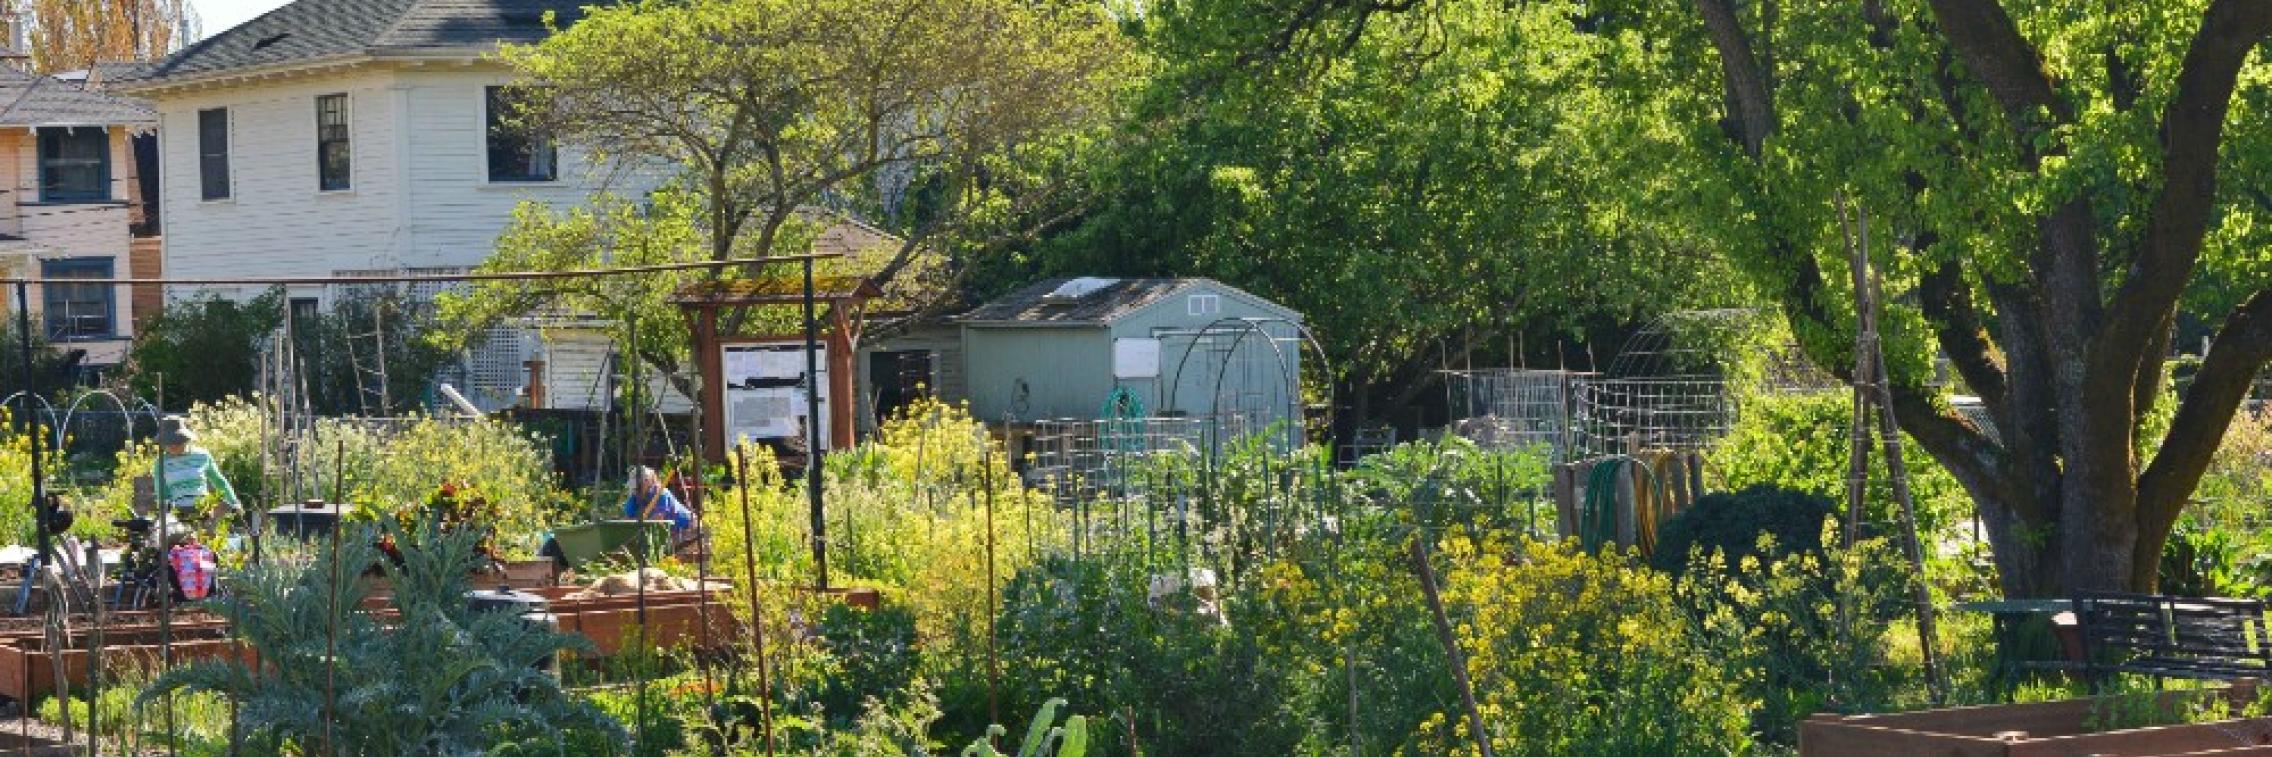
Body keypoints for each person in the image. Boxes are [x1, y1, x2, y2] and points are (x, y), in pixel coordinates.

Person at [153, 415, 240, 531]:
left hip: (203, 510)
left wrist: (233, 501)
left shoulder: (202, 456)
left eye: (177, 441)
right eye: (169, 442)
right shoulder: (161, 463)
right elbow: (162, 492)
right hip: (178, 513)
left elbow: (218, 480)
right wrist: (166, 512)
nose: (173, 445)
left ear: (185, 439)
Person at [623, 466, 697, 542]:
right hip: (665, 531)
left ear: (647, 482)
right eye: (634, 488)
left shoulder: (661, 494)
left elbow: (657, 519)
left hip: (687, 527)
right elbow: (627, 518)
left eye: (638, 487)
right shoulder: (634, 496)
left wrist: (638, 525)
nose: (635, 490)